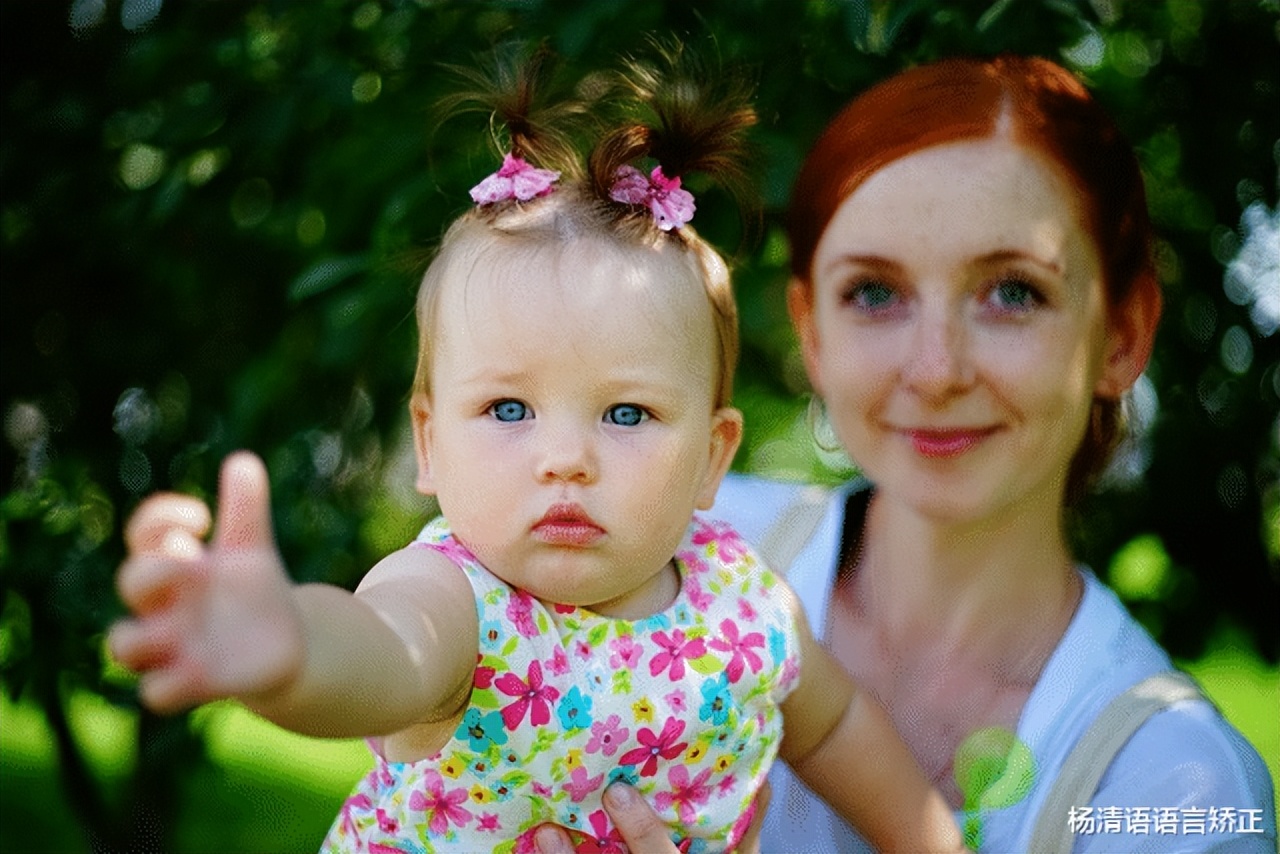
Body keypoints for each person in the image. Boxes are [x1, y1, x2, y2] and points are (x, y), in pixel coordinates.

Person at [108, 47, 963, 853]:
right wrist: (291, 647)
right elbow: (382, 653)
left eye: (626, 415)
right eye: (508, 407)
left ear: (712, 456)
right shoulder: (460, 603)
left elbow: (838, 724)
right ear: (430, 444)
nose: (566, 458)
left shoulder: (743, 603)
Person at [694, 54, 1275, 853]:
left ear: (1123, 335)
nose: (936, 372)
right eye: (873, 293)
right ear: (812, 334)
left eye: (1013, 291)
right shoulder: (675, 558)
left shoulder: (1177, 788)